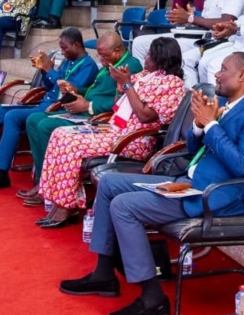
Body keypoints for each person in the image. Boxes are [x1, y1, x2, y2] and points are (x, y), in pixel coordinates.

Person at [58, 51, 244, 315]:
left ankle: (152, 299)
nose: (217, 75)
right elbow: (197, 149)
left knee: (124, 206)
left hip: (212, 196)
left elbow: (243, 165)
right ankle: (104, 274)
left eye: (223, 69)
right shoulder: (230, 102)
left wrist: (210, 124)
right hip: (190, 181)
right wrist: (198, 126)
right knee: (110, 182)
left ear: (243, 75)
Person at [36, 37, 186, 228]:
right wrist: (120, 85)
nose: (146, 58)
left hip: (134, 140)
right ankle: (57, 200)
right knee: (60, 134)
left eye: (150, 54)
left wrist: (128, 84)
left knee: (71, 145)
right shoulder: (145, 76)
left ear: (160, 57)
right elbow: (118, 104)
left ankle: (67, 206)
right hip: (115, 130)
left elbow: (145, 116)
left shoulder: (173, 84)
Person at [0, 28, 99, 192]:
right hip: (43, 103)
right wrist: (43, 70)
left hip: (56, 109)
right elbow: (50, 87)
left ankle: (1, 173)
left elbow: (68, 91)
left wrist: (50, 70)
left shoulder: (88, 66)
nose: (62, 52)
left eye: (65, 48)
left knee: (13, 117)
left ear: (76, 45)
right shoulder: (68, 61)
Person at [19, 33, 143, 205]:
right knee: (33, 120)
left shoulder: (130, 67)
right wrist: (75, 89)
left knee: (46, 125)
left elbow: (123, 101)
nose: (100, 59)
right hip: (84, 110)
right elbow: (95, 91)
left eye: (104, 55)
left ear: (117, 51)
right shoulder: (111, 62)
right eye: (99, 54)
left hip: (98, 116)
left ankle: (47, 188)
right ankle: (42, 181)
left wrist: (89, 106)